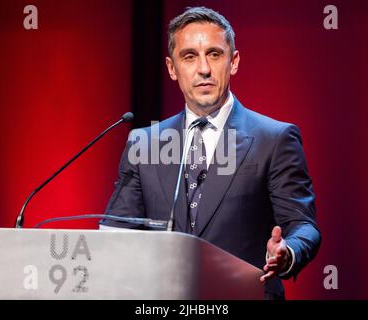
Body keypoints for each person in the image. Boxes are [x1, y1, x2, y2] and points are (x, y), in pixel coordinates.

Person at [100, 6, 321, 299]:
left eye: (214, 54)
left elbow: (304, 226)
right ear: (171, 68)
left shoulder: (275, 139)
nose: (203, 68)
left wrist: (287, 253)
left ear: (234, 62)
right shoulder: (144, 143)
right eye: (189, 56)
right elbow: (117, 234)